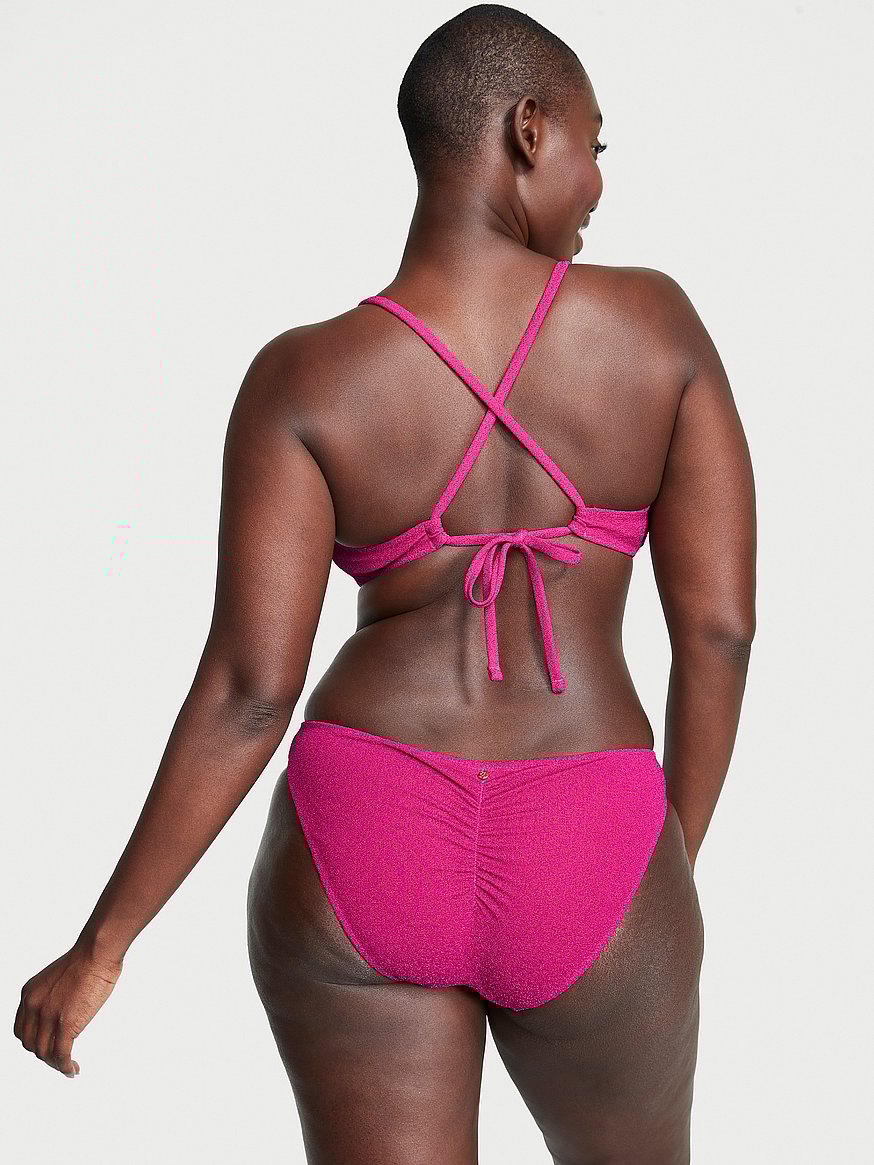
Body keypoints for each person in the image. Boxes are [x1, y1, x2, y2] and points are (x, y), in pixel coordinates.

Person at [14, 5, 756, 1162]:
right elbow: (717, 632)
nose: (599, 183)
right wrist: (655, 866)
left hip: (365, 832)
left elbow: (249, 691)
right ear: (528, 130)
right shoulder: (653, 327)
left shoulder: (305, 377)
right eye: (594, 144)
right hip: (588, 826)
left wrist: (102, 946)